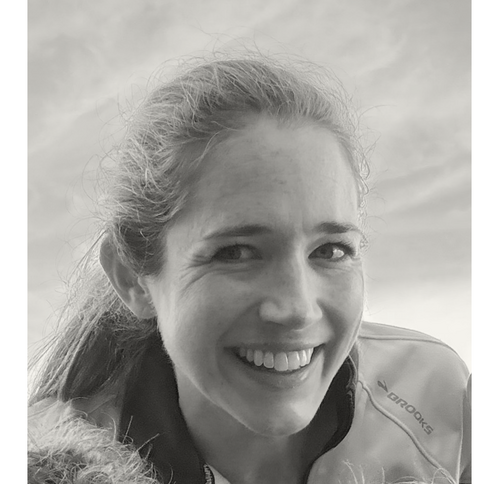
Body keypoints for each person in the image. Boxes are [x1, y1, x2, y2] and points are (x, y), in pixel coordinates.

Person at [28, 52, 471, 484]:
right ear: (132, 278)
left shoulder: (440, 398)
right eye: (236, 253)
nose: (297, 309)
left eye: (331, 250)